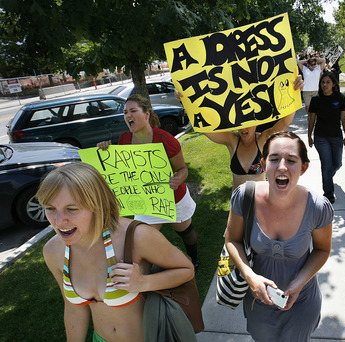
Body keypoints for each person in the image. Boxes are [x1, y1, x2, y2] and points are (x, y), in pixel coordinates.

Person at [39, 162, 194, 341]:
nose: (58, 221)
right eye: (50, 209)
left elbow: (186, 270)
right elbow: (73, 308)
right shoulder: (53, 251)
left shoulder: (136, 236)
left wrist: (144, 282)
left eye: (71, 209)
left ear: (97, 205)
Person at [225, 131, 333, 341]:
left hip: (302, 303)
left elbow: (322, 249)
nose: (282, 166)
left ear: (303, 167)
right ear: (264, 164)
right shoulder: (244, 196)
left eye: (291, 160)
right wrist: (251, 277)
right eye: (274, 159)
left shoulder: (318, 208)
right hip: (258, 302)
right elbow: (231, 240)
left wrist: (300, 282)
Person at [97, 94, 199, 269]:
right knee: (141, 239)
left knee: (185, 232)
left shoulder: (166, 139)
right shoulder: (124, 140)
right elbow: (121, 170)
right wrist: (106, 150)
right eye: (125, 112)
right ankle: (143, 273)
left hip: (173, 198)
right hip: (146, 201)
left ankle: (194, 260)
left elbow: (183, 170)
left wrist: (177, 179)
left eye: (133, 111)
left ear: (146, 114)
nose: (128, 115)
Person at [175, 76, 304, 191]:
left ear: (256, 123)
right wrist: (185, 101)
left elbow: (285, 122)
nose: (243, 128)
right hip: (238, 207)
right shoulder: (232, 141)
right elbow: (203, 127)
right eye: (239, 124)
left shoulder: (263, 140)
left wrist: (294, 91)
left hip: (262, 205)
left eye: (248, 123)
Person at [307, 71, 345, 204]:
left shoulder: (340, 98)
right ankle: (328, 193)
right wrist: (309, 136)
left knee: (337, 163)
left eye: (328, 82)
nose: (325, 85)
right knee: (326, 165)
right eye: (323, 82)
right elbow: (312, 119)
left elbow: (344, 118)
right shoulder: (316, 100)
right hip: (321, 137)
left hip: (336, 137)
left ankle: (328, 178)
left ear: (333, 84)